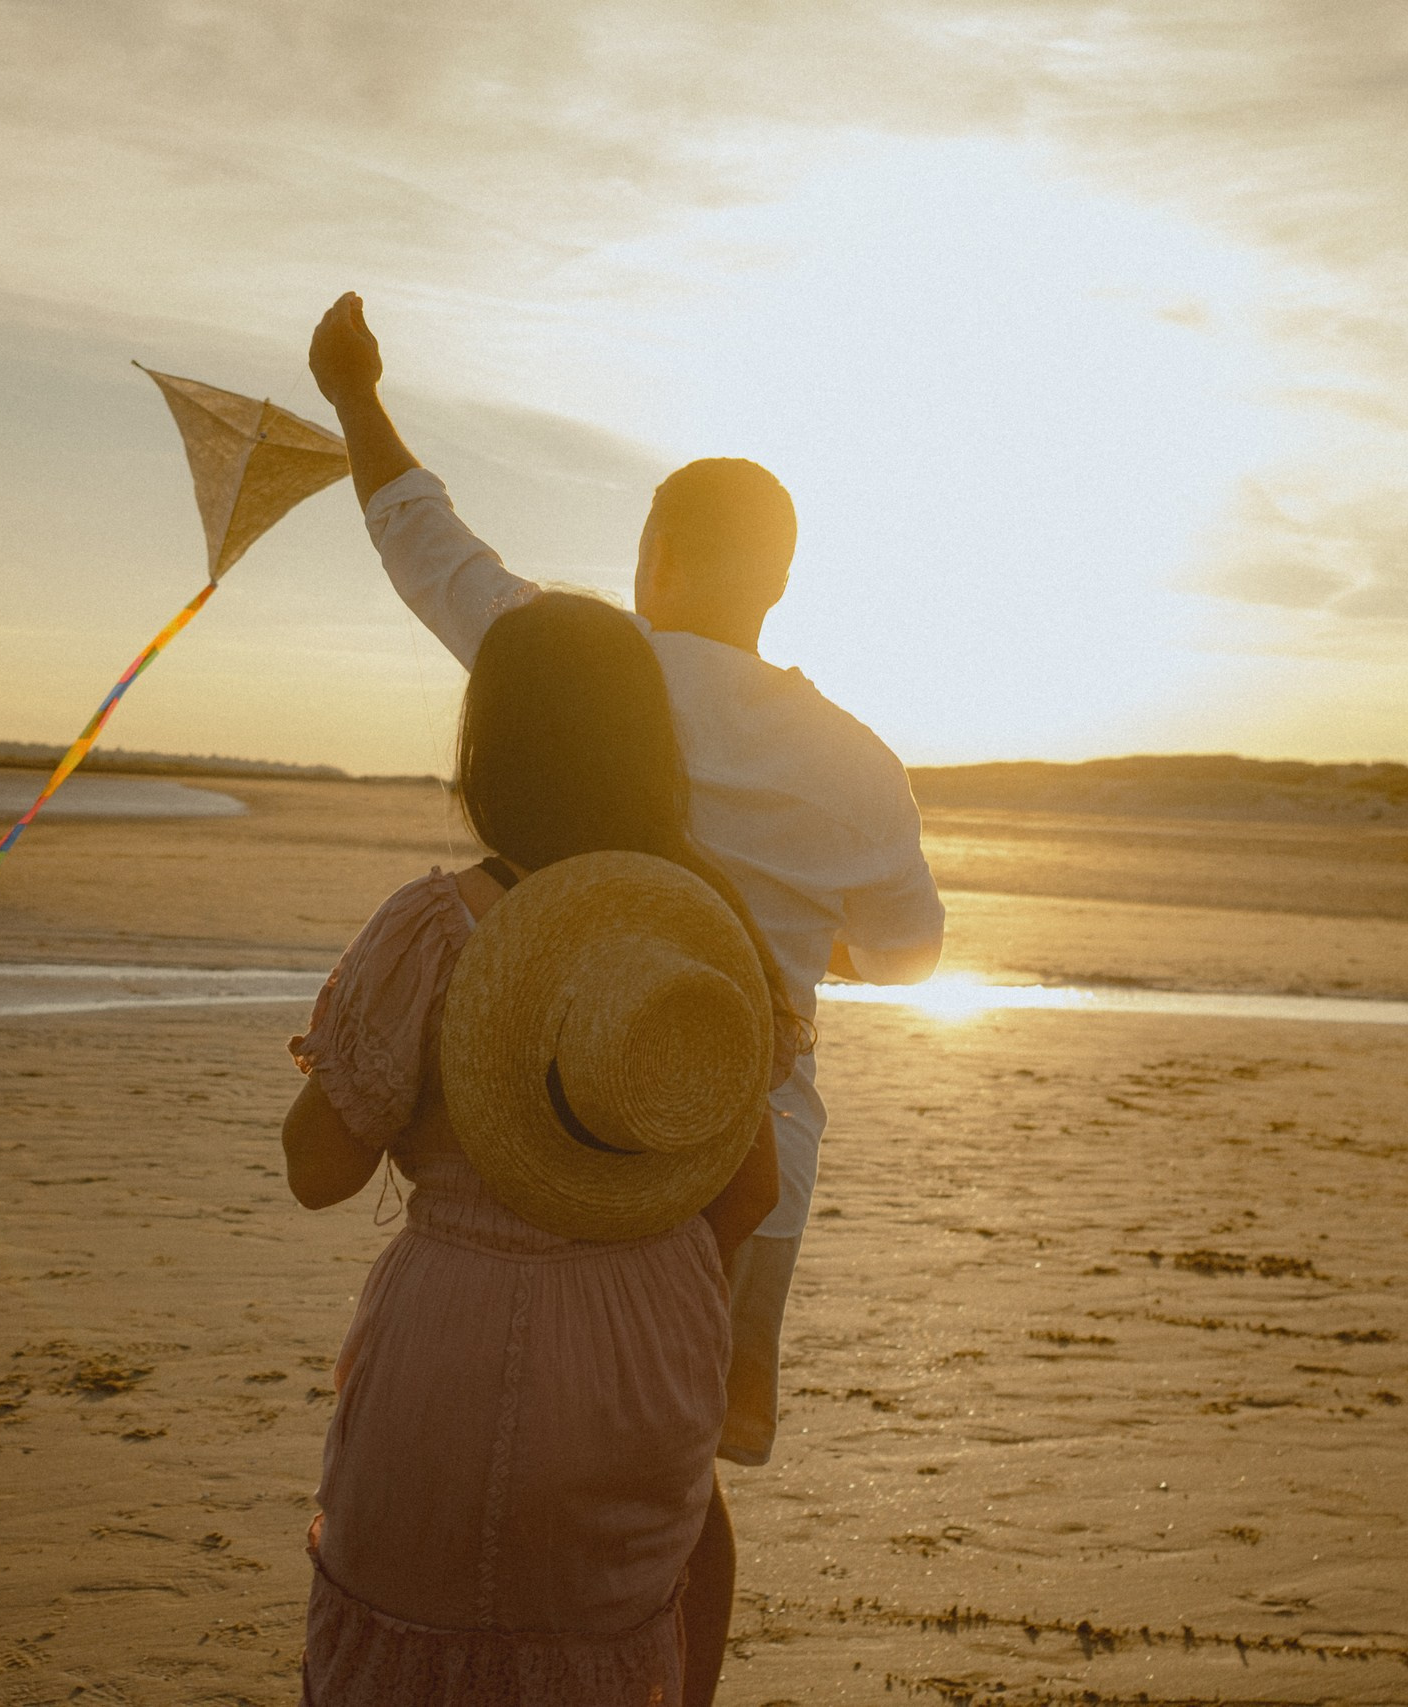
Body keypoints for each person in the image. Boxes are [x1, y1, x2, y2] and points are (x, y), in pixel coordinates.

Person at [309, 291, 945, 1707]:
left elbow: (428, 541)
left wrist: (354, 392)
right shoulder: (854, 759)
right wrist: (801, 943)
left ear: (652, 553)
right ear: (778, 581)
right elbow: (913, 952)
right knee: (678, 1466)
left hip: (525, 1108)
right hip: (737, 1139)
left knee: (510, 1415)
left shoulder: (573, 670)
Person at [282, 590, 800, 1703]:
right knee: (601, 1643)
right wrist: (634, 1258)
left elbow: (319, 1172)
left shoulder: (434, 926)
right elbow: (753, 1185)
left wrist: (339, 1045)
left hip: (454, 1328)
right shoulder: (697, 931)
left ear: (492, 745)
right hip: (645, 1333)